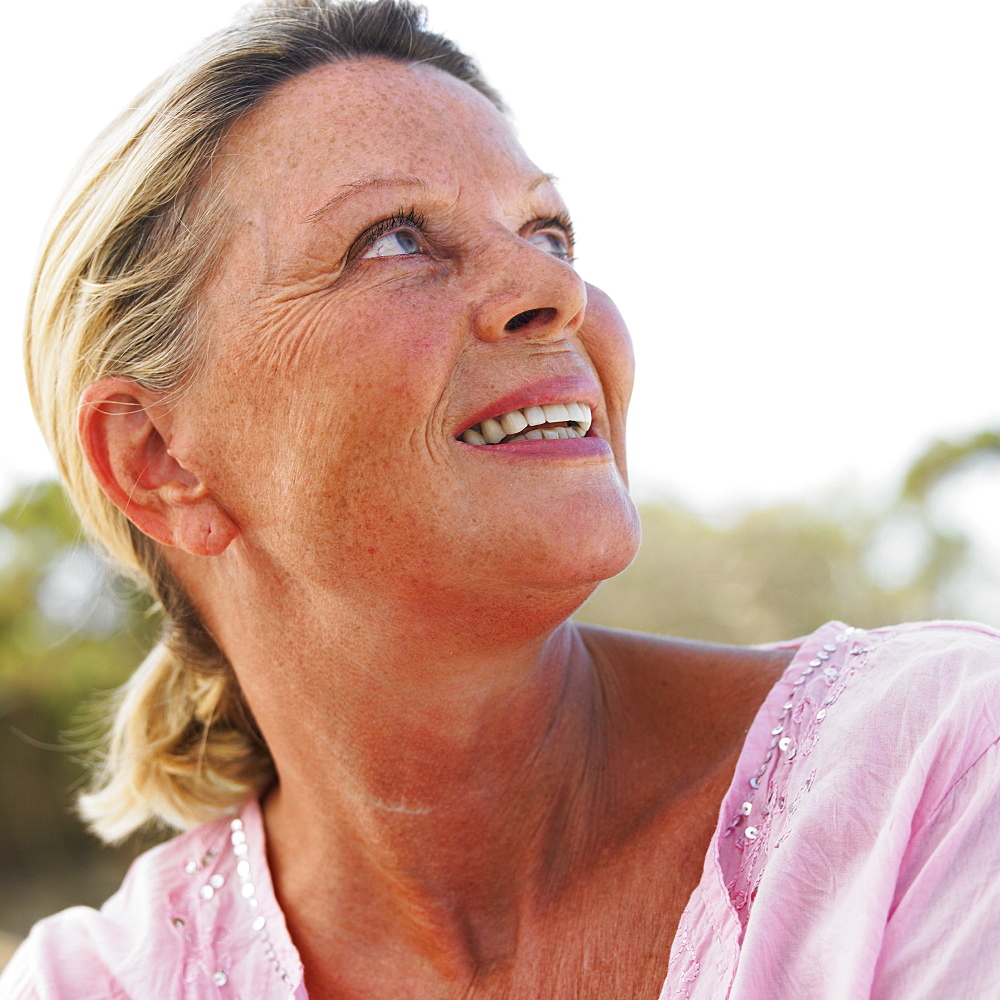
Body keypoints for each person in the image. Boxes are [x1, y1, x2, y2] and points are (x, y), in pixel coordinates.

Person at [3, 1, 1000, 997]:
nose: (553, 289)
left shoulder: (940, 777)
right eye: (394, 240)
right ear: (157, 456)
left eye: (549, 232)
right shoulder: (90, 983)